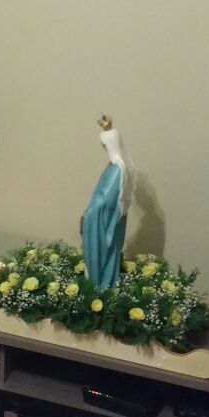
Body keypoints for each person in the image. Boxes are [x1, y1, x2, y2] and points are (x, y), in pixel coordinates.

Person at [82, 115, 135, 289]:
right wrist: (108, 128)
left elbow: (105, 200)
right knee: (111, 252)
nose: (103, 148)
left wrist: (89, 213)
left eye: (104, 145)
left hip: (106, 222)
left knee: (104, 253)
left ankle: (100, 286)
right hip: (112, 219)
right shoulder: (118, 167)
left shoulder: (117, 170)